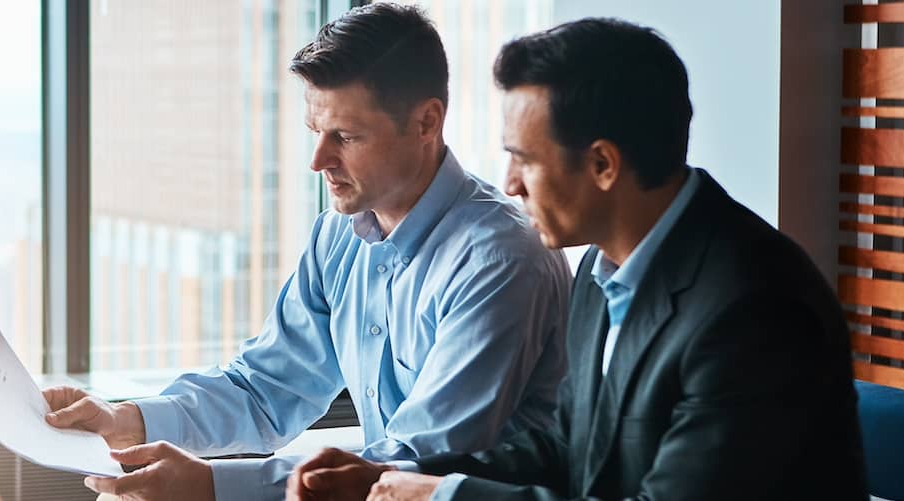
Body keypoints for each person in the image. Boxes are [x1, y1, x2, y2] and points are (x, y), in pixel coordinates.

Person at [287, 17, 868, 501]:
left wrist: (439, 497)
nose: (509, 185)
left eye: (525, 160)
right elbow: (566, 446)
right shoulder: (603, 270)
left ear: (604, 166)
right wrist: (394, 479)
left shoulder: (753, 310)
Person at [45, 3, 572, 500]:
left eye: (345, 136)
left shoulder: (500, 259)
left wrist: (212, 486)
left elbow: (420, 462)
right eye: (315, 131)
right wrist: (123, 421)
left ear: (427, 123)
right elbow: (264, 388)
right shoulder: (337, 235)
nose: (318, 161)